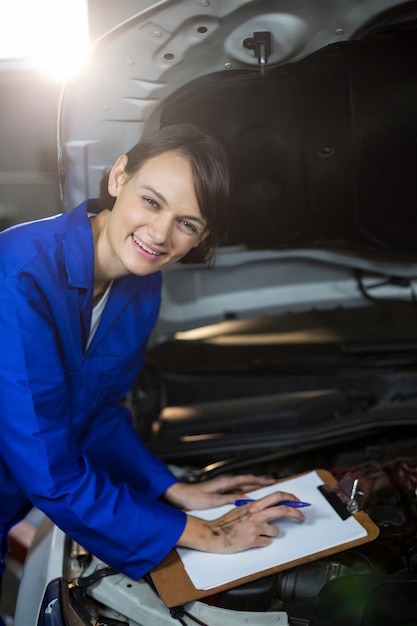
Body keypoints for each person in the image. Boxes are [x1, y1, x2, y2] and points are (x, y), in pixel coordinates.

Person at [0, 124, 305, 606]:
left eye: (188, 224)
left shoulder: (141, 285)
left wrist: (171, 490)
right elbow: (50, 470)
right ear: (119, 176)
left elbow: (97, 411)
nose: (160, 235)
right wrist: (205, 534)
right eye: (153, 201)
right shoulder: (17, 275)